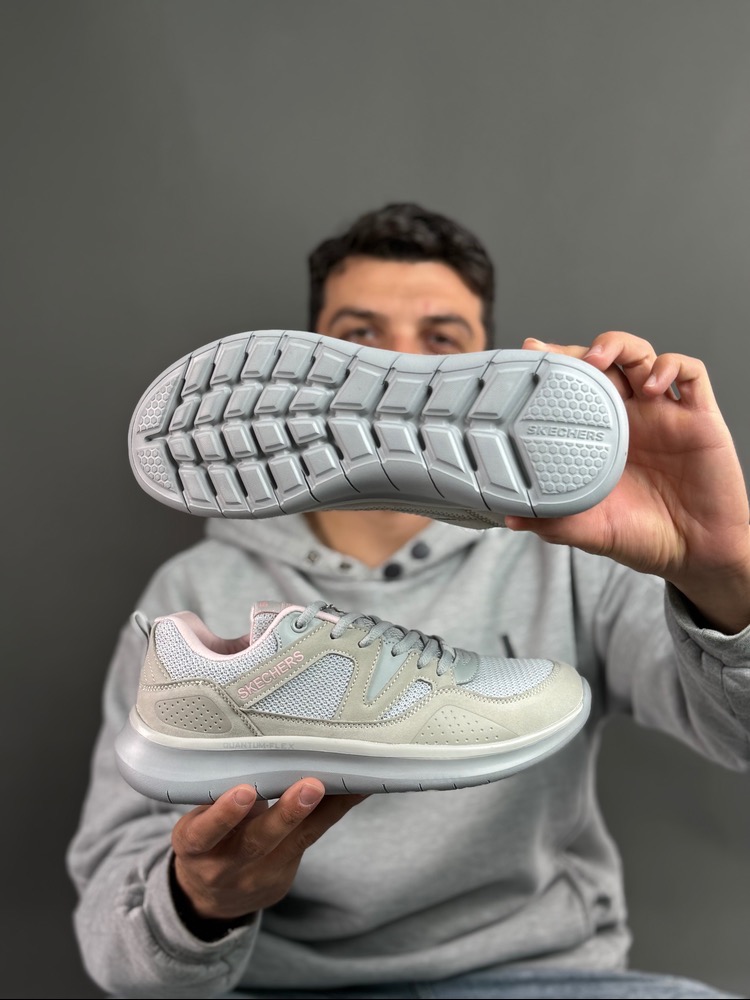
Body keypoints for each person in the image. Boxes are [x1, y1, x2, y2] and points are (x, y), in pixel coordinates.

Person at [67, 203, 750, 1000]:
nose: (398, 365)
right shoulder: (194, 587)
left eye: (441, 339)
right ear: (308, 354)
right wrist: (199, 902)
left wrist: (721, 564)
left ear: (493, 362)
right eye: (361, 335)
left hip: (535, 975)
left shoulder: (573, 563)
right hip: (279, 987)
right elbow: (115, 936)